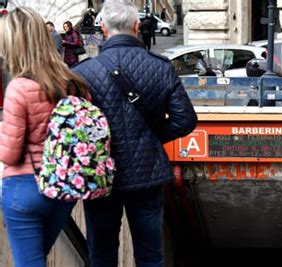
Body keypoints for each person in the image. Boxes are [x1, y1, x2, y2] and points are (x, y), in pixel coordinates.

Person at [72, 0, 197, 266]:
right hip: (148, 173)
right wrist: (149, 137)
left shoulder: (82, 73)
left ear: (103, 28)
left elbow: (74, 127)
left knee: (102, 254)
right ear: (137, 26)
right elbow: (185, 119)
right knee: (150, 254)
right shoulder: (160, 67)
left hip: (101, 176)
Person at [0, 7, 90, 267]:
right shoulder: (75, 83)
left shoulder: (19, 88)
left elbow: (10, 154)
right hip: (65, 189)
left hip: (25, 188)